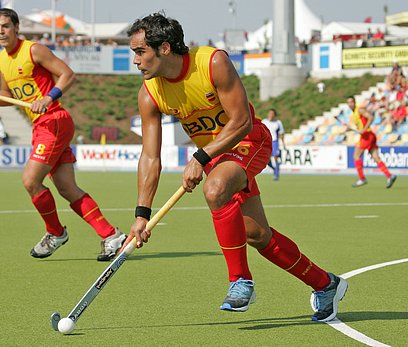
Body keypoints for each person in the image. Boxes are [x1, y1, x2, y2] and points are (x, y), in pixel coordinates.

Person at [125, 12, 347, 322]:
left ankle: (240, 280)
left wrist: (200, 158)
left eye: (139, 51)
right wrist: (141, 215)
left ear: (164, 48)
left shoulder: (213, 62)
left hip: (249, 141)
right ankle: (326, 284)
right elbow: (150, 157)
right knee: (257, 235)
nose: (134, 60)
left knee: (214, 189)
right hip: (219, 157)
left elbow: (241, 122)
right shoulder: (149, 93)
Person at [0, 8, 126, 261]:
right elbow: (9, 96)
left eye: (5, 26)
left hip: (53, 120)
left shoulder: (33, 50)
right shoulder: (1, 60)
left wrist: (48, 97)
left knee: (30, 181)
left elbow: (68, 74)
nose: (0, 31)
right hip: (41, 126)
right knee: (67, 188)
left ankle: (55, 232)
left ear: (16, 27)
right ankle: (112, 236)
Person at [346, 96, 397, 188]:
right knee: (376, 158)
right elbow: (360, 127)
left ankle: (362, 179)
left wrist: (364, 129)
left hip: (367, 136)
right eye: (348, 103)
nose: (350, 104)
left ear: (354, 102)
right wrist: (351, 129)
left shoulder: (360, 110)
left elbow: (371, 117)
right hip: (369, 136)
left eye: (351, 102)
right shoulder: (353, 114)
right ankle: (389, 176)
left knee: (356, 156)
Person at [261, 108, 286, 180]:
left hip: (274, 142)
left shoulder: (278, 123)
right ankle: (275, 169)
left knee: (275, 158)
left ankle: (276, 175)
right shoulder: (264, 121)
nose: (270, 115)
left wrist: (283, 144)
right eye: (269, 113)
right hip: (266, 142)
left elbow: (281, 134)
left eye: (272, 114)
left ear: (274, 115)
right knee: (267, 160)